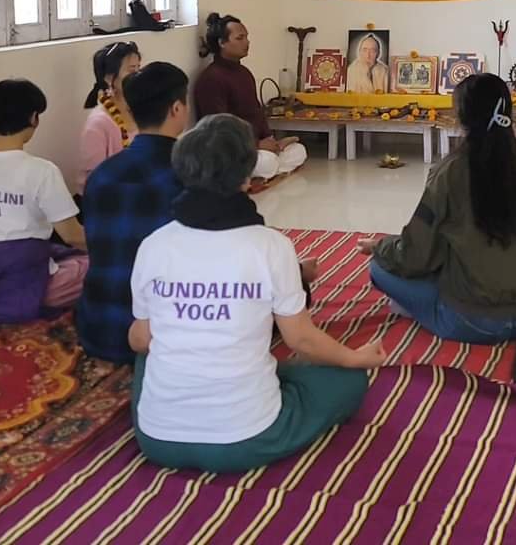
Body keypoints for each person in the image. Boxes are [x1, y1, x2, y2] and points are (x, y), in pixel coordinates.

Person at [128, 114, 382, 472]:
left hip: (157, 439)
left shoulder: (154, 245)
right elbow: (301, 340)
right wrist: (355, 359)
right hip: (246, 439)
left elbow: (140, 340)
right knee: (346, 380)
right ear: (248, 177)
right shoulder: (270, 247)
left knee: (150, 356)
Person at [359, 73, 516, 343]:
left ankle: (424, 309)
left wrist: (380, 247)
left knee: (379, 268)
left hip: (471, 321)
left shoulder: (450, 172)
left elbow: (416, 254)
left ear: (462, 117)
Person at [0, 80, 88, 325]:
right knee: (95, 266)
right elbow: (73, 236)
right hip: (24, 279)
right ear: (34, 118)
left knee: (56, 252)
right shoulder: (42, 171)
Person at [77, 63, 190, 363]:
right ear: (177, 108)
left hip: (97, 328)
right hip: (159, 333)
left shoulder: (102, 174)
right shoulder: (187, 176)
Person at [193, 12, 306, 180]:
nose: (247, 42)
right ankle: (261, 171)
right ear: (222, 43)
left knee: (298, 151)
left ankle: (262, 171)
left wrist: (271, 140)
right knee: (267, 162)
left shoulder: (244, 72)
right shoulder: (211, 78)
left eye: (246, 37)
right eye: (240, 38)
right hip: (231, 152)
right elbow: (218, 130)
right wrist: (256, 145)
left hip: (256, 148)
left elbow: (256, 111)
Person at [76, 41, 142, 194]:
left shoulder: (141, 109)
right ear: (109, 78)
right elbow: (95, 179)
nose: (138, 76)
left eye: (139, 68)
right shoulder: (99, 123)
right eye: (132, 70)